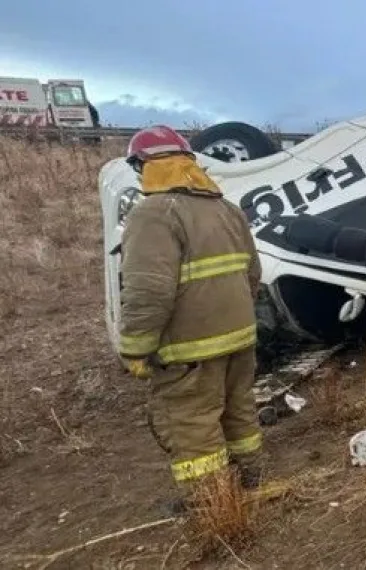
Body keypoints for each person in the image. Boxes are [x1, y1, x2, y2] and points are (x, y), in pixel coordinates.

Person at [117, 125, 264, 510]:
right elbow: (253, 275)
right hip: (239, 335)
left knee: (192, 424)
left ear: (143, 166)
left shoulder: (151, 215)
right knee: (238, 411)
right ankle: (251, 478)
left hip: (188, 348)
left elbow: (148, 291)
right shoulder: (228, 211)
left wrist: (135, 348)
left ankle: (214, 505)